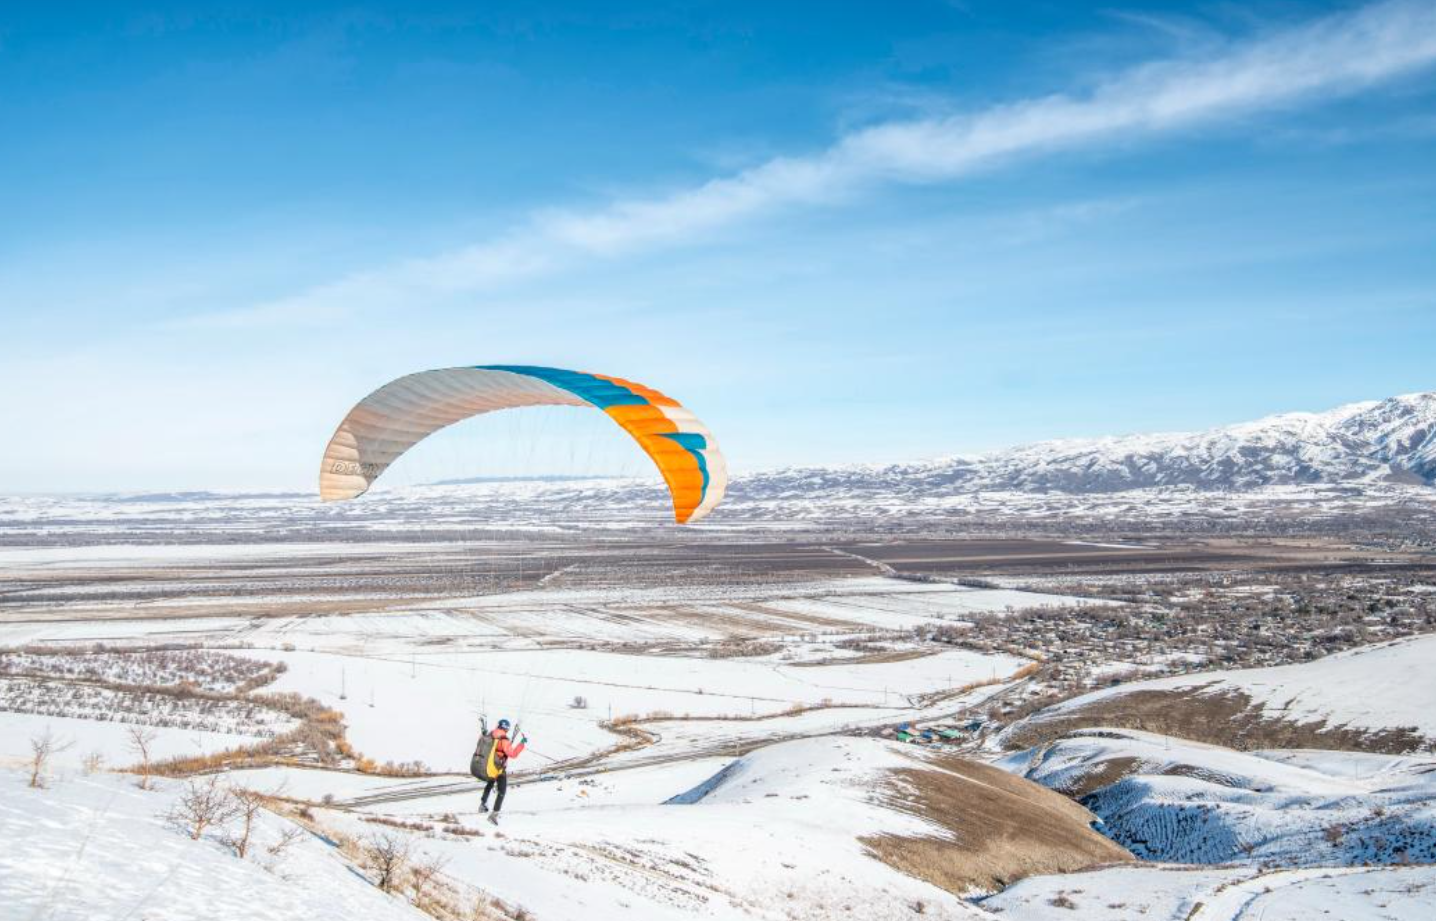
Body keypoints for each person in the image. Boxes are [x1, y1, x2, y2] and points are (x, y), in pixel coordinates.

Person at [471, 717, 526, 823]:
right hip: (499, 768)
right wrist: (522, 743)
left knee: (490, 782)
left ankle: (483, 804)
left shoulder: (490, 735)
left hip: (489, 766)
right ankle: (494, 815)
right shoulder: (504, 739)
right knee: (502, 791)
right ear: (507, 729)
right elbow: (513, 754)